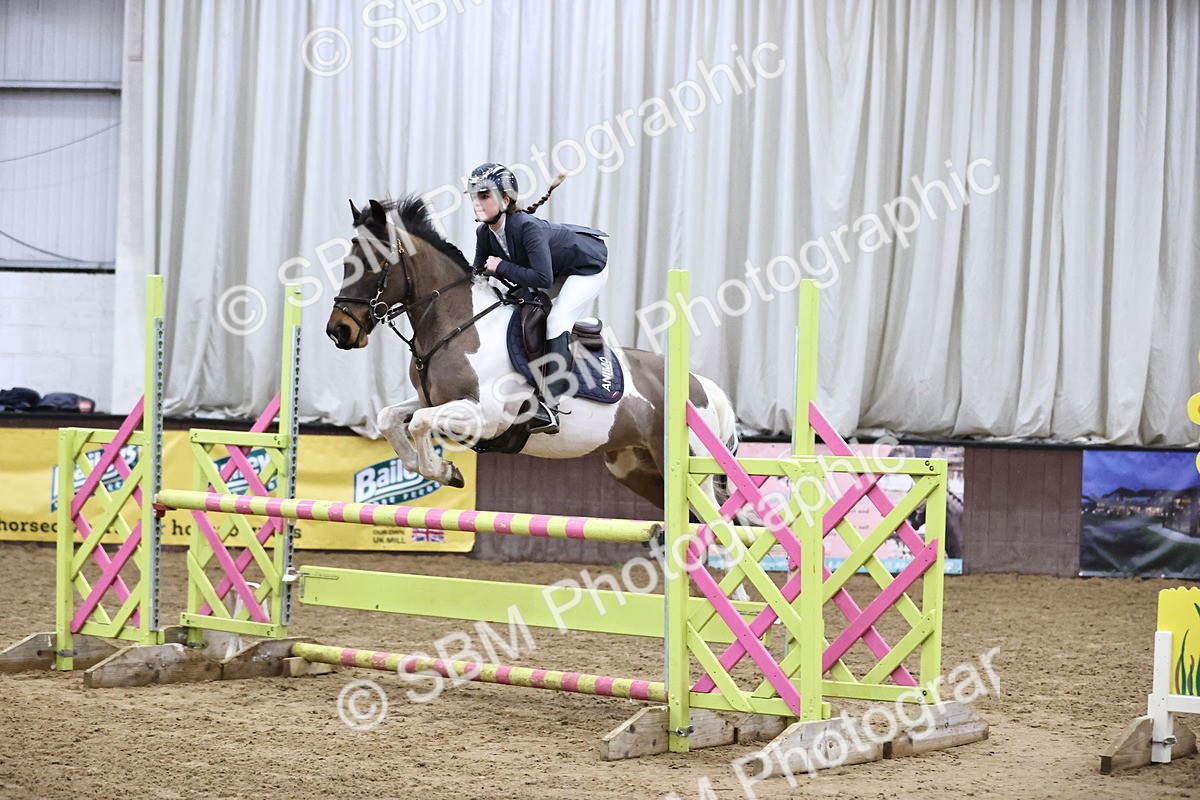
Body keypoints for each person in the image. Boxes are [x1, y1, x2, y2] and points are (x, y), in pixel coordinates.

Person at [466, 162, 609, 435]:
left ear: (504, 200)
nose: (478, 203)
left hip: (587, 267)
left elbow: (542, 279)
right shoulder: (484, 233)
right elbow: (478, 276)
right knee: (517, 305)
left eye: (484, 196)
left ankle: (552, 407)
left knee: (557, 320)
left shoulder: (527, 227)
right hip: (555, 270)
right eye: (475, 197)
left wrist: (501, 267)